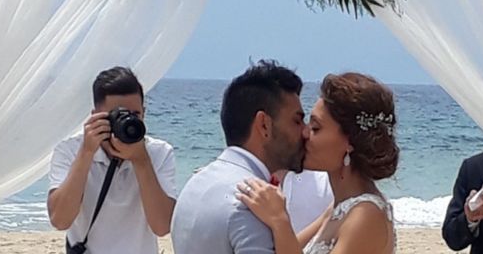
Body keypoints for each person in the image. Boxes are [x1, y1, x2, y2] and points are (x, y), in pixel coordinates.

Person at [237, 72, 399, 254]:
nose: (304, 133)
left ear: (350, 141)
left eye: (316, 128)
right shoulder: (339, 207)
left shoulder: (366, 215)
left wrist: (279, 220)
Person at [171, 60, 307, 254]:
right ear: (264, 125)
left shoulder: (194, 185)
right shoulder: (252, 202)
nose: (306, 131)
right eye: (297, 121)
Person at [47, 66, 177, 254]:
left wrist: (141, 161)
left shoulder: (159, 153)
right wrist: (86, 153)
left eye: (135, 115)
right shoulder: (70, 151)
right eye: (117, 115)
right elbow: (60, 220)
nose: (127, 121)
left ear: (144, 113)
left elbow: (162, 226)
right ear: (95, 117)